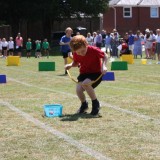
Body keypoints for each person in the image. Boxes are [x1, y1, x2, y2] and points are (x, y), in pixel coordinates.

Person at [65, 35, 108, 116]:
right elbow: (76, 62)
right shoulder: (76, 54)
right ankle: (84, 105)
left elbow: (105, 55)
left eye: (83, 50)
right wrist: (70, 65)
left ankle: (96, 104)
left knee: (85, 84)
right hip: (84, 73)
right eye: (78, 52)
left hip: (95, 73)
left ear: (86, 44)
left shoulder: (94, 50)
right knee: (78, 90)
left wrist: (104, 66)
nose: (81, 53)